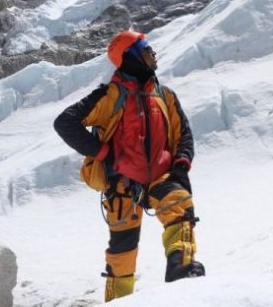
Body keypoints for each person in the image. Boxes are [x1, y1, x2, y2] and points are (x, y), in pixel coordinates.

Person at [53, 30, 204, 302]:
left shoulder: (164, 95)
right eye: (146, 49)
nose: (152, 54)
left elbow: (184, 135)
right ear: (130, 57)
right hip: (121, 184)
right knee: (122, 253)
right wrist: (103, 153)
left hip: (162, 177)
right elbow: (65, 123)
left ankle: (181, 271)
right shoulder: (107, 97)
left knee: (180, 208)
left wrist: (180, 167)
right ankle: (118, 302)